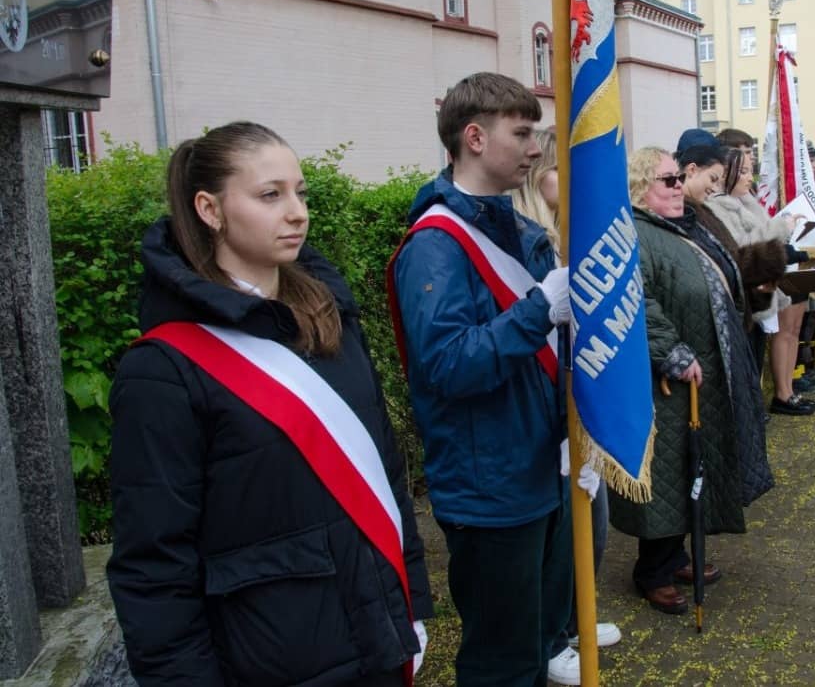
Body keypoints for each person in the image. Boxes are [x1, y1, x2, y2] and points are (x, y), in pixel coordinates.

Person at [107, 121, 432, 686]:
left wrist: (411, 603)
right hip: (270, 662)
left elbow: (384, 469)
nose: (297, 212)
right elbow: (155, 565)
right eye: (270, 195)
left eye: (300, 192)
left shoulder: (330, 320)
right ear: (209, 209)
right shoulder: (163, 370)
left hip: (377, 638)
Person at [390, 73, 571, 685]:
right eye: (521, 133)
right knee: (502, 663)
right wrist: (539, 308)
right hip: (489, 487)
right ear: (473, 137)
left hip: (539, 468)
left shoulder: (518, 230)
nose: (532, 148)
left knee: (538, 640)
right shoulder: (435, 247)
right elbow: (449, 365)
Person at [609, 146, 773, 615]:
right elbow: (637, 303)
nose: (679, 185)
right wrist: (672, 354)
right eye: (668, 180)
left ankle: (678, 554)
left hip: (705, 370)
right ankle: (653, 571)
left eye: (679, 178)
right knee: (667, 474)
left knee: (692, 468)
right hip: (670, 380)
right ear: (643, 189)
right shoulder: (635, 235)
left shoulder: (686, 224)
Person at [510, 129, 621, 685]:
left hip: (575, 396)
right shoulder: (525, 235)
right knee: (561, 532)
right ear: (537, 176)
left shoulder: (562, 231)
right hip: (545, 408)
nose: (571, 182)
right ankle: (552, 637)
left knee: (592, 522)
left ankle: (577, 617)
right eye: (561, 170)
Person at [705, 141, 815, 416]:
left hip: (761, 292)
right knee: (749, 359)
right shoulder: (720, 207)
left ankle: (762, 404)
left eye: (750, 171)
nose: (749, 178)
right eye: (742, 172)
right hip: (747, 295)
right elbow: (742, 248)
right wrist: (781, 230)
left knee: (760, 353)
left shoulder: (744, 202)